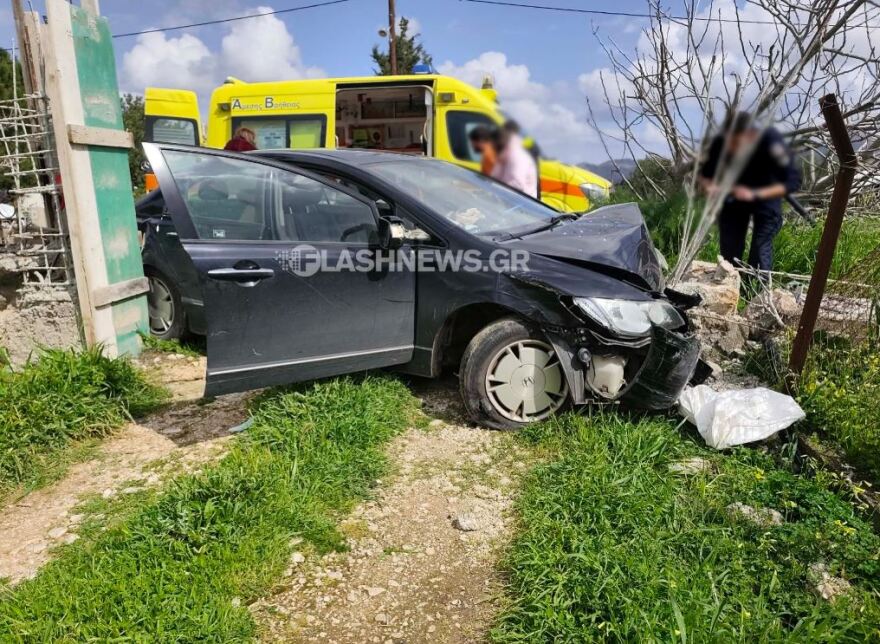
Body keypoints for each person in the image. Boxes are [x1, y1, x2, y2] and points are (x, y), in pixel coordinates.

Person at [700, 112, 800, 273]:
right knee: (729, 252)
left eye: (737, 144)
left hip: (765, 198)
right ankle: (731, 287)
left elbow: (793, 182)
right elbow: (706, 175)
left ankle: (756, 292)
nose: (732, 149)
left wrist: (755, 194)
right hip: (733, 198)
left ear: (751, 135)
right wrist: (710, 187)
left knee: (760, 252)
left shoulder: (771, 142)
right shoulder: (721, 143)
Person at [491, 126, 538, 199]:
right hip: (508, 198)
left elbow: (517, 185)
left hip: (521, 202)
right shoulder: (505, 155)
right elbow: (495, 176)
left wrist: (493, 188)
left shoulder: (517, 156)